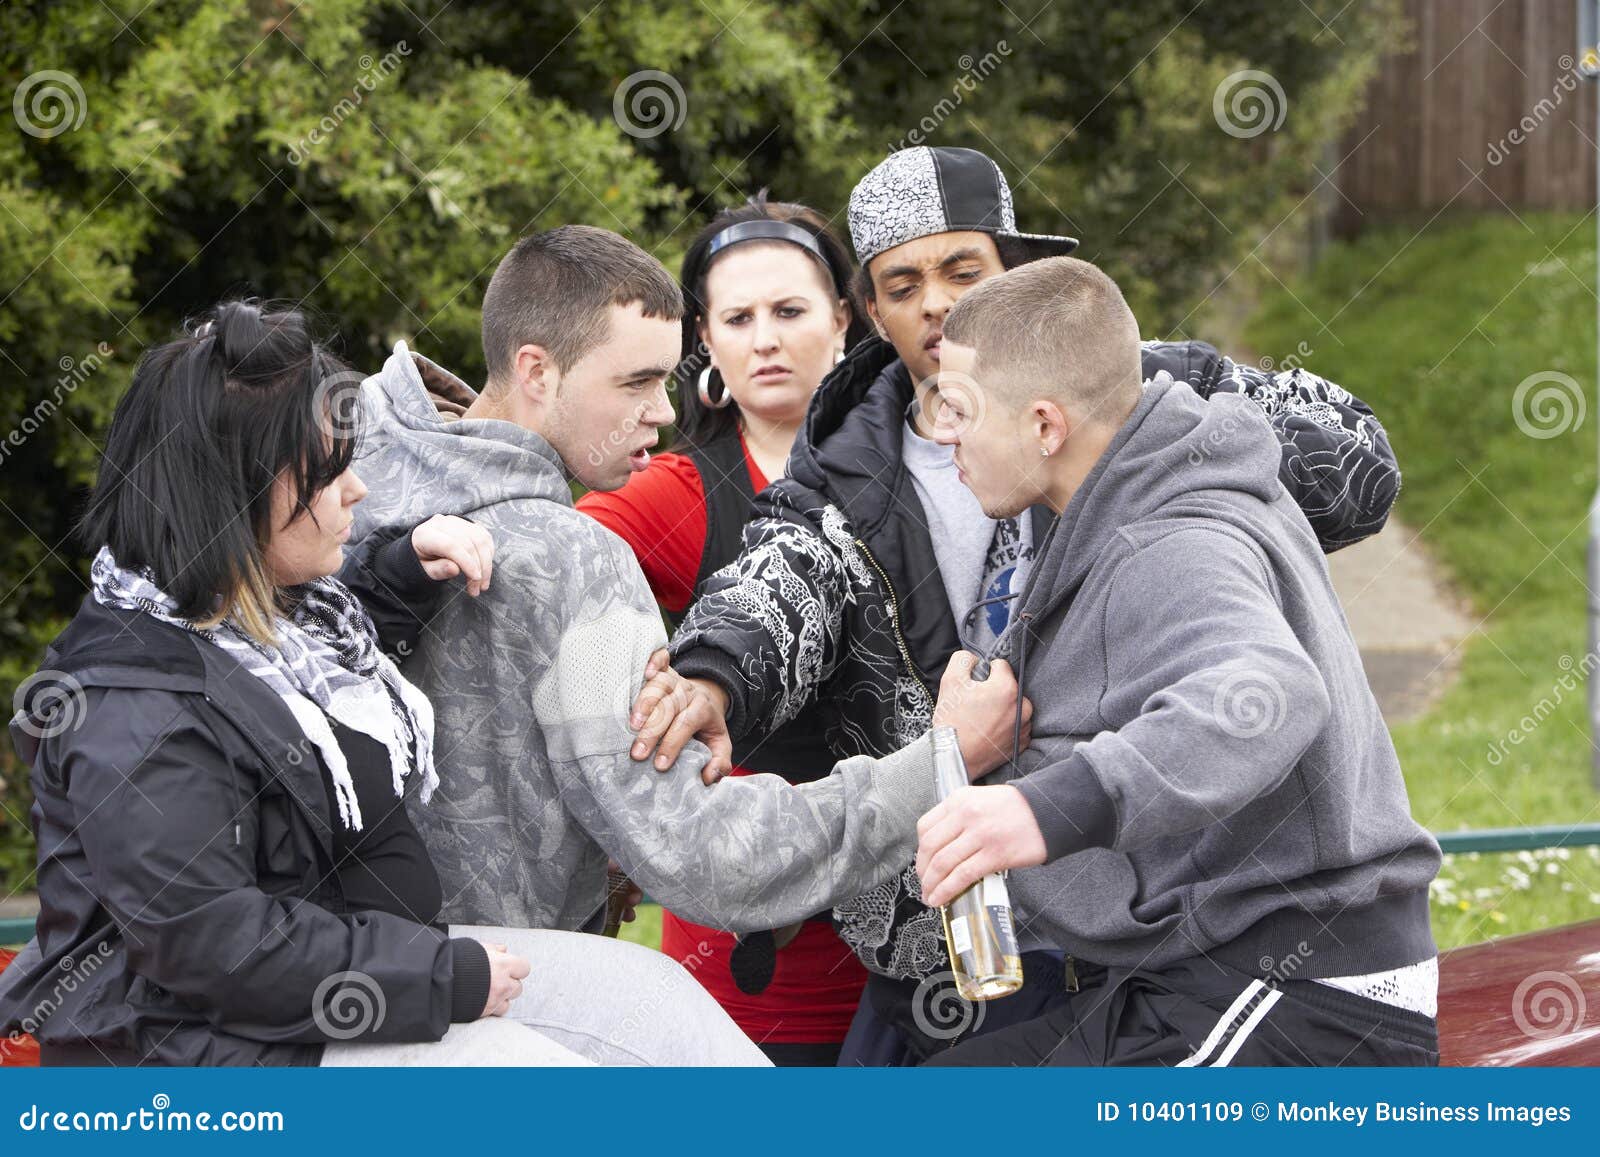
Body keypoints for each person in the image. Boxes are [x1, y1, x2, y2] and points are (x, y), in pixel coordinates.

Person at [660, 146, 1405, 1064]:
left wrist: (1127, 389)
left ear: (1016, 272)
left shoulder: (1148, 449)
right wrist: (713, 672)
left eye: (962, 271)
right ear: (871, 311)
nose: (934, 303)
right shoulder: (845, 467)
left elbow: (1357, 479)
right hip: (956, 934)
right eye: (903, 283)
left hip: (1180, 915)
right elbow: (776, 585)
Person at [0, 302, 768, 1065]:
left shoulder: (266, 616)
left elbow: (282, 693)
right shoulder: (136, 709)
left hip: (359, 975)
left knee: (655, 1000)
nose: (357, 491)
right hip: (209, 1056)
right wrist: (442, 975)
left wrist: (404, 567)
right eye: (328, 473)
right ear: (234, 492)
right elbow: (214, 947)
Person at [346, 227, 1025, 983]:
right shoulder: (576, 561)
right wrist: (940, 763)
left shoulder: (342, 492)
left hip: (340, 994)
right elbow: (703, 853)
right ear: (536, 369)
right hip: (503, 1010)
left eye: (666, 381)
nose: (663, 412)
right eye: (635, 382)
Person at [913, 256, 1441, 1066]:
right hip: (1210, 977)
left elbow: (1271, 690)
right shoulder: (1145, 493)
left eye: (958, 408)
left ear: (1045, 426)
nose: (943, 432)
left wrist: (1037, 809)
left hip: (1304, 1002)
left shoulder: (1171, 541)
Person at [577, 196, 869, 1064]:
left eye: (789, 311)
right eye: (738, 318)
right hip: (747, 960)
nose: (765, 339)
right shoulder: (679, 493)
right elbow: (553, 584)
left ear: (844, 319)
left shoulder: (939, 458)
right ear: (706, 338)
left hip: (933, 933)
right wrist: (608, 786)